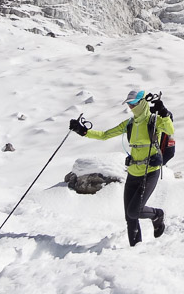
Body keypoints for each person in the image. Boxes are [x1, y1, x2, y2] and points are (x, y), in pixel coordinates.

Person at [69, 89, 174, 246]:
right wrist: (83, 131)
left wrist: (164, 112)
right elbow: (105, 135)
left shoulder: (154, 120)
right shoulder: (130, 123)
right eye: (129, 104)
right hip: (133, 173)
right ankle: (135, 249)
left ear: (142, 102)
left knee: (134, 211)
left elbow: (170, 130)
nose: (131, 107)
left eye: (133, 104)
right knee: (129, 217)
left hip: (150, 172)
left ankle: (157, 215)